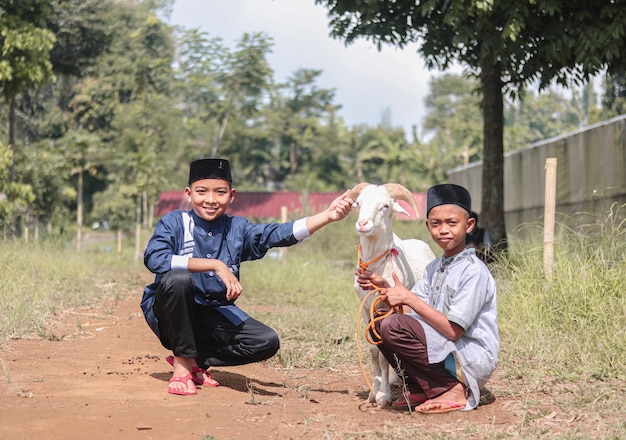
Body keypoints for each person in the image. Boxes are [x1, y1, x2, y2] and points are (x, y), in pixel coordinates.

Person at [141, 158, 354, 396]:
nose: (211, 200)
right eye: (202, 192)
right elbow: (154, 258)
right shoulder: (175, 222)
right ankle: (181, 367)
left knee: (266, 341)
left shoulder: (238, 228)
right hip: (170, 313)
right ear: (189, 194)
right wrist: (215, 264)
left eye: (220, 192)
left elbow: (277, 234)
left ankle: (195, 360)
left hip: (212, 311)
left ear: (232, 196)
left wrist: (327, 216)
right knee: (177, 279)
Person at [356, 183, 499, 413]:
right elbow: (411, 314)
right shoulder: (434, 268)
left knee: (392, 325)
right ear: (428, 226)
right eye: (436, 223)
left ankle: (452, 388)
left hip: (468, 358)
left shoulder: (474, 271)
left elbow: (453, 331)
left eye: (452, 223)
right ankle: (425, 386)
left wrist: (408, 299)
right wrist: (386, 289)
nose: (444, 230)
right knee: (379, 321)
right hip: (443, 348)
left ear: (469, 225)